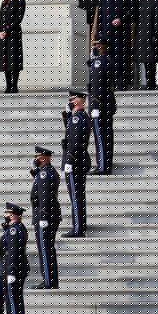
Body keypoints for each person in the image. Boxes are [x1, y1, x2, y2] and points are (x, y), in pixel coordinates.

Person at [95, 0, 136, 91]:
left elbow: (134, 14)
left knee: (121, 59)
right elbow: (100, 16)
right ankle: (109, 84)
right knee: (107, 60)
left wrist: (122, 20)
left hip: (121, 34)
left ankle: (122, 84)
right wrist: (99, 35)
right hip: (106, 35)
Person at [0, 202, 29, 314]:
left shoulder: (14, 230)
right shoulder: (16, 228)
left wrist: (10, 272)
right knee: (15, 301)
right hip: (17, 268)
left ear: (12, 215)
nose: (5, 216)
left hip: (13, 270)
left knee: (13, 303)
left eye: (6, 213)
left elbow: (13, 252)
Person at [30, 146, 61, 289]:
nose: (35, 159)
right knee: (47, 248)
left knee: (45, 249)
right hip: (50, 215)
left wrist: (43, 216)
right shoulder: (46, 172)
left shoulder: (44, 174)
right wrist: (35, 170)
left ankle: (48, 281)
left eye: (36, 157)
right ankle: (51, 281)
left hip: (45, 216)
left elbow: (44, 195)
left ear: (42, 158)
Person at [61, 91, 91, 238]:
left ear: (78, 101)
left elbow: (75, 141)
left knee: (76, 196)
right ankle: (78, 227)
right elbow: (71, 133)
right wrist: (67, 114)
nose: (70, 101)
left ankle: (78, 229)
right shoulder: (78, 117)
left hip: (75, 162)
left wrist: (70, 160)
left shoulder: (78, 118)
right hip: (79, 161)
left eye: (72, 99)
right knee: (77, 196)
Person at [89, 36, 117, 175]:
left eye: (95, 45)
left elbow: (96, 85)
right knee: (107, 136)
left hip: (100, 105)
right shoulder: (109, 60)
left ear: (100, 47)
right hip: (108, 103)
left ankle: (102, 167)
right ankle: (107, 164)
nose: (94, 47)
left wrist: (94, 105)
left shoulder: (99, 62)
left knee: (100, 137)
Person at [0, 0, 25, 93]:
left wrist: (6, 31)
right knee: (5, 60)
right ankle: (8, 85)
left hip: (13, 35)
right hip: (3, 36)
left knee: (14, 60)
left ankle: (14, 85)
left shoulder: (20, 1)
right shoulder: (4, 2)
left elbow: (18, 19)